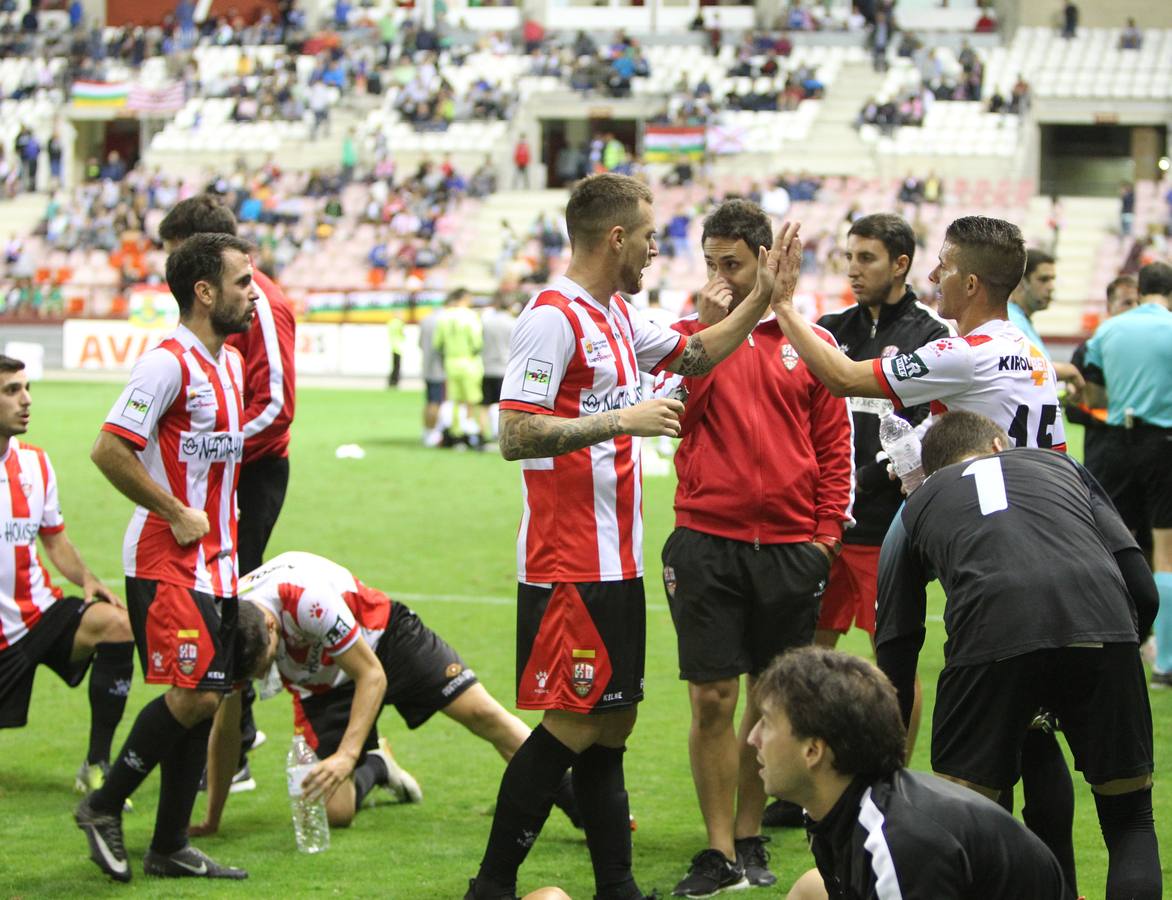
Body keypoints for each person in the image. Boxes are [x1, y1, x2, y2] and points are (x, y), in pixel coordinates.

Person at [465, 173, 801, 900]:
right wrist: (623, 419)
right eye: (650, 236)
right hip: (567, 558)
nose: (656, 250)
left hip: (615, 557)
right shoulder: (553, 316)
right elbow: (514, 433)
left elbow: (697, 354)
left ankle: (616, 886)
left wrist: (764, 297)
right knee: (571, 724)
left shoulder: (615, 314)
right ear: (616, 237)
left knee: (612, 723)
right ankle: (491, 885)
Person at [874, 411, 1162, 899]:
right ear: (997, 443)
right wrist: (1113, 658)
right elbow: (1143, 590)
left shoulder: (916, 502)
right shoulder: (1062, 466)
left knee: (971, 828)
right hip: (1102, 627)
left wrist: (886, 756)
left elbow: (897, 641)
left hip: (989, 641)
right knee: (1130, 818)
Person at [654, 199, 854, 896]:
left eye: (732, 264)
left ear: (766, 261)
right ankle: (716, 851)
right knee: (711, 697)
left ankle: (748, 833)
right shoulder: (689, 337)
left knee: (772, 706)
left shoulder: (806, 338)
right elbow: (678, 418)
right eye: (711, 263)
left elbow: (834, 447)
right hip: (707, 540)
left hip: (794, 549)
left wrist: (826, 538)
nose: (720, 278)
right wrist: (710, 338)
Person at [77, 233, 259, 882]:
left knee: (207, 693)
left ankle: (170, 845)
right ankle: (104, 804)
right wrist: (174, 510)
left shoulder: (229, 365)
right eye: (242, 281)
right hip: (167, 558)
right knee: (195, 697)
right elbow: (108, 449)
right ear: (204, 292)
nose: (254, 291)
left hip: (217, 562)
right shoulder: (166, 363)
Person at [197, 551, 580, 833]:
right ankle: (379, 765)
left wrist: (347, 755)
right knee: (333, 812)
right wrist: (212, 819)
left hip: (385, 642)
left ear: (270, 623)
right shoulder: (231, 635)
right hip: (322, 687)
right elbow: (226, 730)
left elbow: (372, 676)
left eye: (267, 662)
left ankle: (588, 811)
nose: (267, 674)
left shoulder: (305, 597)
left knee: (485, 716)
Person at [158, 194, 298, 791]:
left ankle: (233, 748)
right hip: (218, 475)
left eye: (176, 259)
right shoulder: (216, 302)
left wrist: (210, 446)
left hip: (249, 473)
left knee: (224, 607)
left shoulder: (257, 302)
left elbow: (277, 407)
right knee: (209, 600)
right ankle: (227, 740)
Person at [748, 646, 1068, 899]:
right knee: (810, 891)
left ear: (813, 751)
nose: (753, 738)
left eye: (767, 723)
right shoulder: (834, 808)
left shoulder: (900, 842)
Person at [810, 213, 949, 747]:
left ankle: (892, 783)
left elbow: (923, 433)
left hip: (886, 530)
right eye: (849, 257)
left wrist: (861, 480)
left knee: (893, 666)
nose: (853, 269)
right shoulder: (831, 329)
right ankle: (805, 782)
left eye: (866, 258)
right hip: (824, 531)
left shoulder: (929, 337)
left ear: (901, 264)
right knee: (809, 659)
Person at [766, 216, 1066, 453]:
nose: (933, 276)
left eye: (944, 267)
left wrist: (783, 305)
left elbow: (843, 378)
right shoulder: (1034, 355)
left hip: (999, 510)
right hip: (1044, 501)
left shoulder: (963, 354)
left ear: (971, 284)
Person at [0, 355, 135, 797]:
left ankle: (96, 764)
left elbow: (54, 539)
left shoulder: (36, 464)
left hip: (37, 615)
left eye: (26, 388)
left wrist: (87, 579)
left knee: (117, 626)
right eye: (11, 391)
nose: (26, 400)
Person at [1082, 262, 1172, 689]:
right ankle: (1166, 663)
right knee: (1166, 552)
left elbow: (1094, 390)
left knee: (1116, 546)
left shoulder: (1108, 331)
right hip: (1163, 442)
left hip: (1117, 443)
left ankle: (1111, 645)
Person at [1068, 276, 1146, 553]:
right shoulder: (1091, 349)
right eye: (1127, 302)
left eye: (1139, 302)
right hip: (1106, 457)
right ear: (1110, 307)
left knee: (1150, 540)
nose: (1135, 308)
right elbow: (1074, 408)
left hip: (1147, 459)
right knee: (1113, 542)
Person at [1007, 248, 1085, 392]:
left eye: (1052, 279)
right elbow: (1019, 367)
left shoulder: (1022, 320)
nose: (1051, 287)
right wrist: (1068, 371)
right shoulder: (1010, 322)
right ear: (1020, 283)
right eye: (1043, 280)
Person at [433, 288, 487, 449]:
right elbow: (477, 342)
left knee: (455, 401)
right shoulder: (471, 316)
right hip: (469, 363)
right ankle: (473, 434)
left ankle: (456, 435)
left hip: (451, 362)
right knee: (473, 401)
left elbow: (437, 344)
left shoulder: (444, 317)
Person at [481, 292, 517, 441]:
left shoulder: (486, 322)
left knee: (484, 405)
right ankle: (502, 435)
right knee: (505, 406)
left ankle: (483, 434)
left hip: (487, 367)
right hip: (505, 368)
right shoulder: (513, 322)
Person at [418, 303, 448, 447]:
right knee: (437, 402)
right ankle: (433, 433)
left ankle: (426, 431)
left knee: (429, 400)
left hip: (427, 366)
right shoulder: (445, 321)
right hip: (440, 368)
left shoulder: (425, 320)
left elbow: (420, 343)